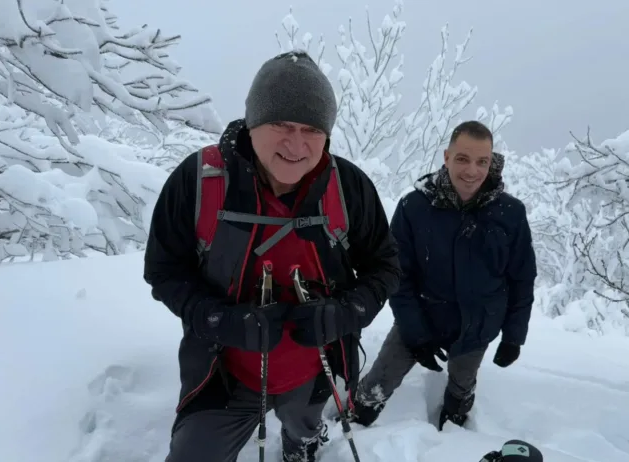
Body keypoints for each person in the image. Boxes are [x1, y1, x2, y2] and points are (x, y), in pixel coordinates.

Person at [143, 50, 400, 462]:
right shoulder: (199, 181)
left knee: (303, 427)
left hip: (314, 371)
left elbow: (385, 266)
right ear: (252, 122)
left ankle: (300, 445)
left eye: (312, 129)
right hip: (223, 376)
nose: (296, 144)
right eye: (281, 124)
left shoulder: (348, 188)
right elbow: (164, 271)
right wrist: (219, 320)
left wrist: (346, 312)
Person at [346, 120, 537, 431]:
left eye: (482, 161)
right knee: (379, 381)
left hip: (477, 326)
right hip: (420, 317)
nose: (472, 171)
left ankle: (454, 422)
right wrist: (416, 335)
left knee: (462, 384)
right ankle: (356, 419)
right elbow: (398, 275)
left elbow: (521, 278)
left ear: (492, 162)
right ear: (446, 157)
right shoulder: (414, 206)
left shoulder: (510, 213)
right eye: (462, 159)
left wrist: (514, 337)